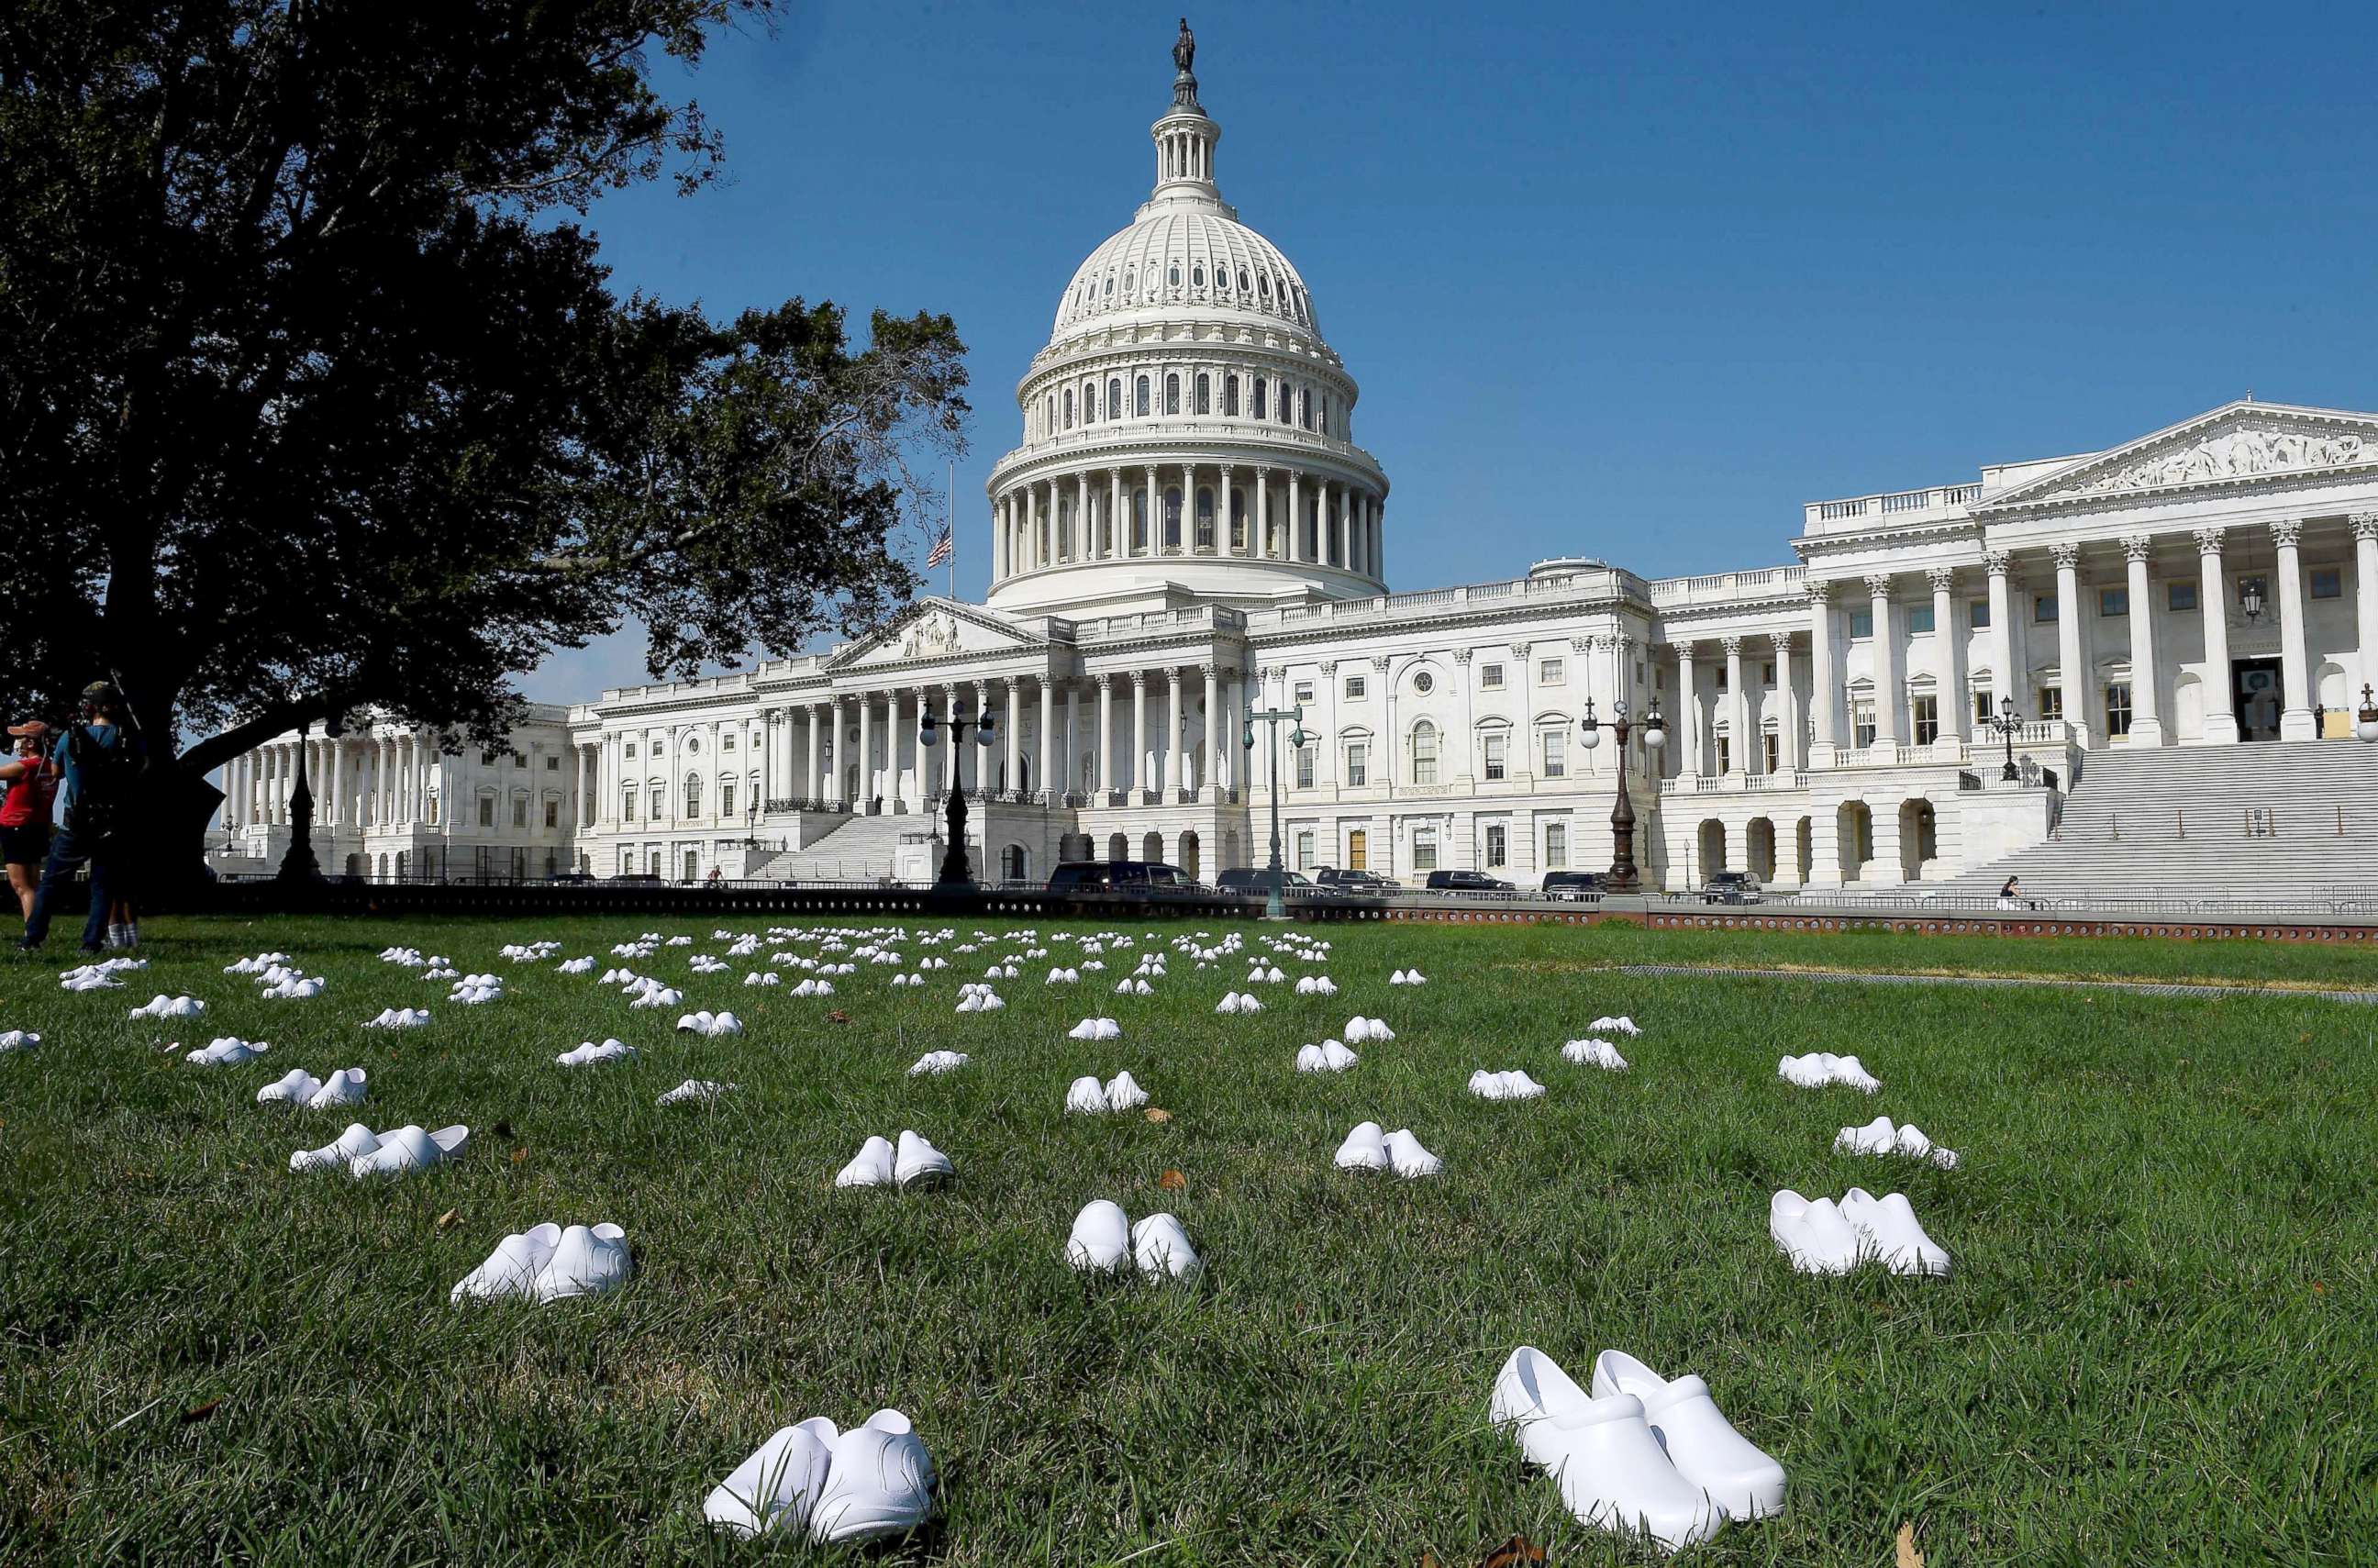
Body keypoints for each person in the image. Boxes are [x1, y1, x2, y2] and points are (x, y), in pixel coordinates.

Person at [20, 682, 147, 955]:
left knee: (52, 883)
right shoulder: (126, 739)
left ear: (90, 707)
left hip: (75, 821)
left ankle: (32, 938)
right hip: (112, 821)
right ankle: (91, 942)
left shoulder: (70, 737)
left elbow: (56, 773)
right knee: (102, 886)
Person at [0, 723, 59, 921]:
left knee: (21, 886)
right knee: (32, 884)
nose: (17, 743)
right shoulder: (51, 767)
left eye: (21, 737)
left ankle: (32, 934)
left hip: (16, 827)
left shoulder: (24, 767)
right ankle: (36, 930)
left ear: (31, 742)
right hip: (37, 827)